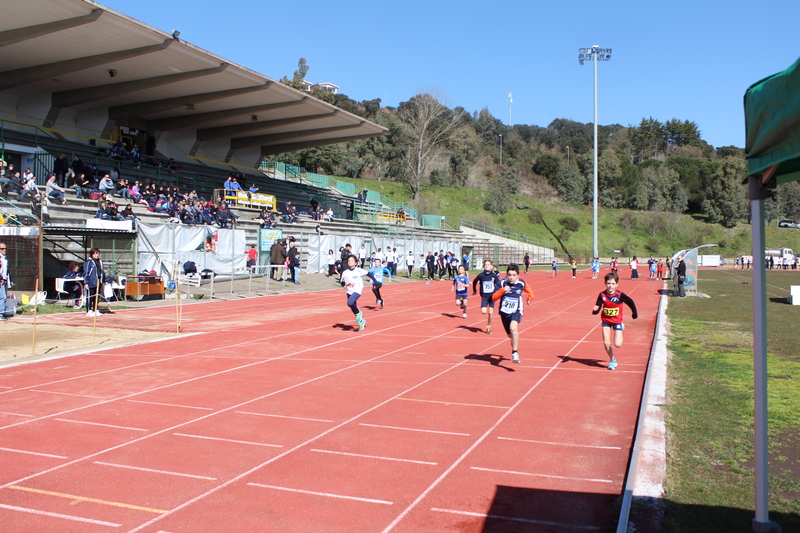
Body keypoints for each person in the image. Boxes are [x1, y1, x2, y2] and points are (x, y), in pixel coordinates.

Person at [592, 272, 638, 370]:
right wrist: (595, 310)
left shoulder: (619, 295)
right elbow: (598, 307)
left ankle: (621, 327)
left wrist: (634, 314)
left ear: (616, 284)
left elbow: (631, 302)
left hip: (617, 321)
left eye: (613, 284)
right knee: (606, 342)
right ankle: (612, 360)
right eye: (608, 283)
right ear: (605, 283)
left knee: (618, 344)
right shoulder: (602, 295)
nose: (610, 286)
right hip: (606, 321)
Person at [491, 264, 534, 363]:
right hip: (504, 312)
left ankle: (515, 352)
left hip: (516, 311)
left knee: (513, 328)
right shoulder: (501, 283)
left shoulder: (521, 283)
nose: (511, 277)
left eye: (514, 275)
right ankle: (514, 348)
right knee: (511, 336)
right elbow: (493, 298)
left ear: (518, 275)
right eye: (509, 275)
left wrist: (530, 298)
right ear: (506, 274)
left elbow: (530, 292)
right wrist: (502, 290)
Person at [340, 254, 377, 331]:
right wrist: (343, 282)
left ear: (356, 263)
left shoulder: (359, 270)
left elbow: (369, 273)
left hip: (357, 290)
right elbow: (342, 284)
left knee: (349, 303)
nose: (350, 262)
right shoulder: (345, 272)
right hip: (349, 291)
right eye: (349, 261)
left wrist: (375, 281)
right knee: (353, 307)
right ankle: (361, 322)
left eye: (352, 261)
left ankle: (359, 313)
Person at [473, 259, 500, 334]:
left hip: (492, 296)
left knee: (490, 313)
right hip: (484, 296)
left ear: (491, 266)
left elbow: (498, 284)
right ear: (483, 266)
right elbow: (474, 282)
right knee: (483, 311)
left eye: (488, 265)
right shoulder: (481, 275)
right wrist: (475, 290)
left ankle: (488, 326)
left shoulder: (494, 276)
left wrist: (497, 292)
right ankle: (488, 325)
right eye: (485, 265)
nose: (487, 266)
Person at [83, 247, 106, 318]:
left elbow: (102, 272)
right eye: (95, 253)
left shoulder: (100, 262)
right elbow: (86, 273)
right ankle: (89, 310)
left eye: (98, 253)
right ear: (92, 254)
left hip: (98, 281)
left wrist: (104, 280)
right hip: (91, 281)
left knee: (97, 296)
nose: (97, 255)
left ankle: (95, 309)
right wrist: (86, 282)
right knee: (90, 296)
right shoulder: (88, 262)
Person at [0, 242, 12, 320]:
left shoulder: (5, 258)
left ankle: (2, 313)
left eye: (5, 248)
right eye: (2, 248)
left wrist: (10, 280)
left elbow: (7, 270)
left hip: (4, 280)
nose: (4, 250)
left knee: (3, 297)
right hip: (1, 280)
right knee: (2, 297)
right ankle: (1, 314)